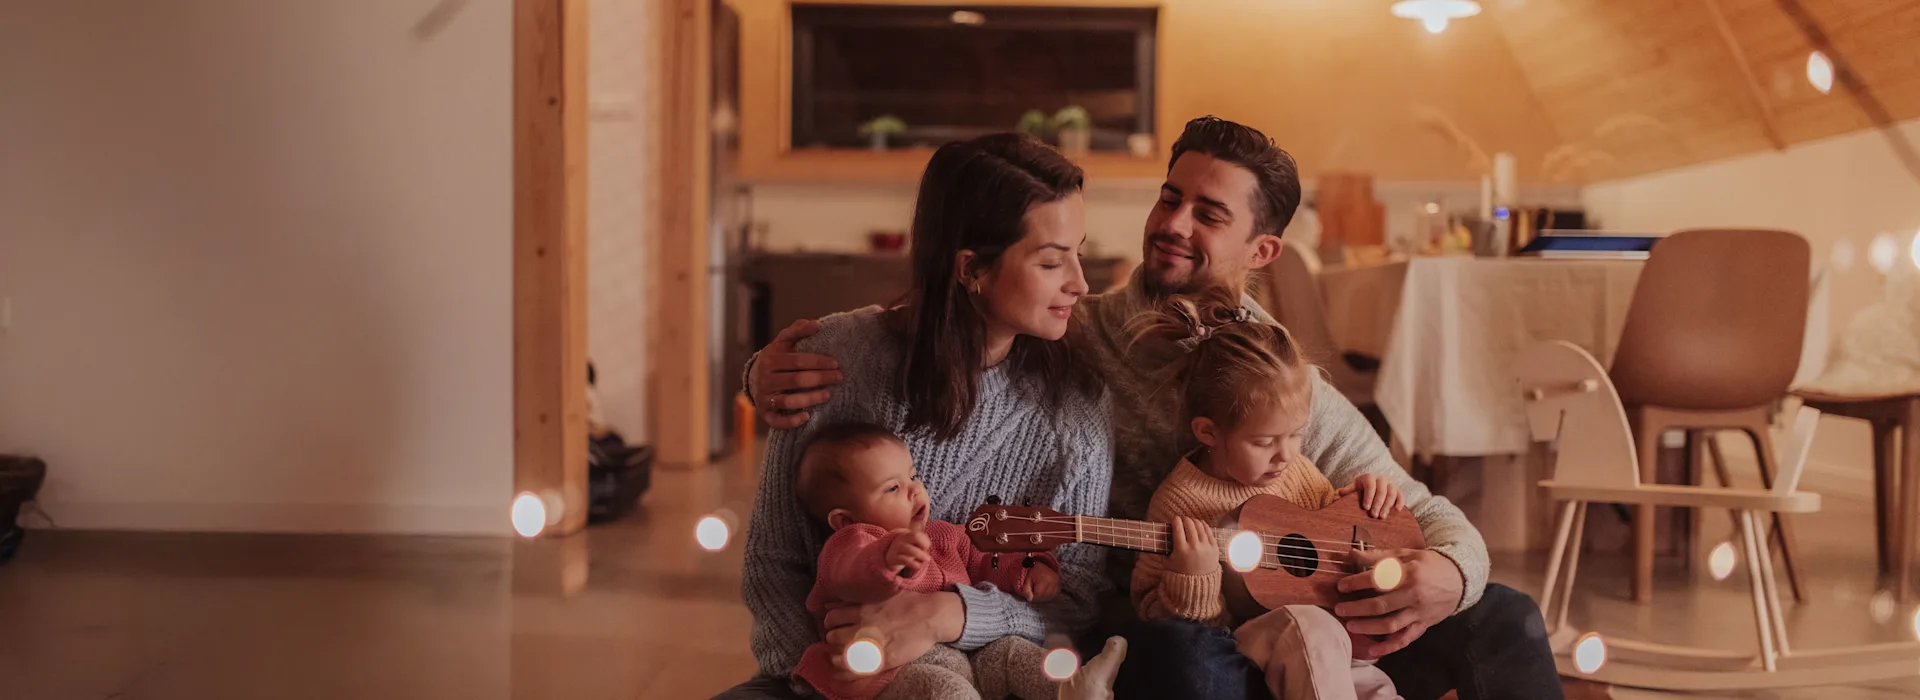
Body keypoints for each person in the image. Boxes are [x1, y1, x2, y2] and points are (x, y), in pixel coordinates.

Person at [745, 116, 1563, 700]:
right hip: (1168, 615)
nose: (1172, 225)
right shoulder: (1078, 340)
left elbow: (1419, 509)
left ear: (1263, 251)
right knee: (1184, 663)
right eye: (1169, 198)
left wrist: (1447, 576)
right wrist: (761, 374)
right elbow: (934, 343)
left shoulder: (1282, 376)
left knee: (1508, 620)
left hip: (1300, 610)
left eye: (1208, 214)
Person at [718, 134, 1126, 700]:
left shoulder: (1077, 407)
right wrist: (824, 677)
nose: (1080, 282)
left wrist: (947, 615)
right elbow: (775, 562)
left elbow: (1075, 600)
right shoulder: (837, 361)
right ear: (971, 268)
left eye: (1078, 252)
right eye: (1052, 260)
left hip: (998, 677)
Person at [1128, 290, 1403, 700]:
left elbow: (1329, 540)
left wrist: (1365, 502)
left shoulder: (1295, 471)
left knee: (1372, 686)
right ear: (1208, 432)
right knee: (1308, 627)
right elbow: (1153, 615)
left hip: (1335, 648)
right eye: (1264, 442)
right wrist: (1193, 579)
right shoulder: (1179, 503)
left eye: (1296, 435)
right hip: (1249, 648)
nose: (1286, 454)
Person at [790, 422, 1061, 700]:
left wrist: (1025, 571)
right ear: (846, 519)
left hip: (969, 656)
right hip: (895, 673)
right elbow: (850, 572)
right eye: (893, 488)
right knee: (947, 691)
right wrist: (885, 558)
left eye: (913, 476)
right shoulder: (849, 544)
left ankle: (1075, 689)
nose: (915, 490)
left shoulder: (942, 534)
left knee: (1015, 653)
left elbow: (984, 559)